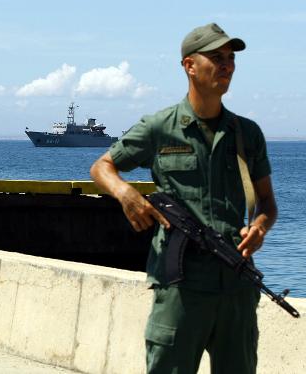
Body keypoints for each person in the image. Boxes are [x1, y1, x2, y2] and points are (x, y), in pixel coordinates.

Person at [90, 23, 278, 373]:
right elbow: (102, 167)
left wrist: (261, 229)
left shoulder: (246, 134)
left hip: (235, 285)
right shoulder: (160, 127)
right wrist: (126, 194)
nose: (227, 66)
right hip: (180, 287)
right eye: (216, 57)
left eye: (231, 58)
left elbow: (266, 203)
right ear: (189, 65)